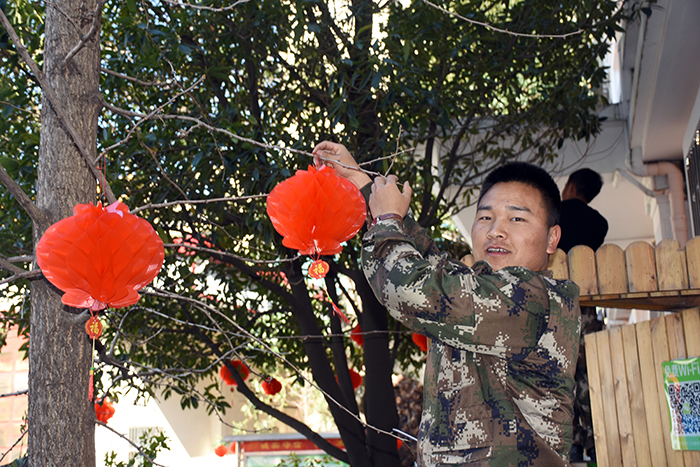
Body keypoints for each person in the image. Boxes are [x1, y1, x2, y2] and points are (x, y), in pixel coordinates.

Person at [313, 141, 581, 467]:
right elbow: (431, 262)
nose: (496, 231)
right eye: (486, 217)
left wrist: (387, 218)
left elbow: (412, 288)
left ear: (552, 238)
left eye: (516, 219)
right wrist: (360, 181)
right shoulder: (484, 290)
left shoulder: (532, 298)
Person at [558, 168, 608, 463]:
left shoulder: (553, 214)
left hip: (556, 305)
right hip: (586, 304)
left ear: (571, 186)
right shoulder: (599, 223)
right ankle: (596, 439)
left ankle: (573, 443)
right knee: (588, 374)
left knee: (561, 374)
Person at [558, 168, 608, 253]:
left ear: (571, 187)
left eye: (565, 186)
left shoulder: (554, 210)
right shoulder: (601, 223)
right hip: (582, 261)